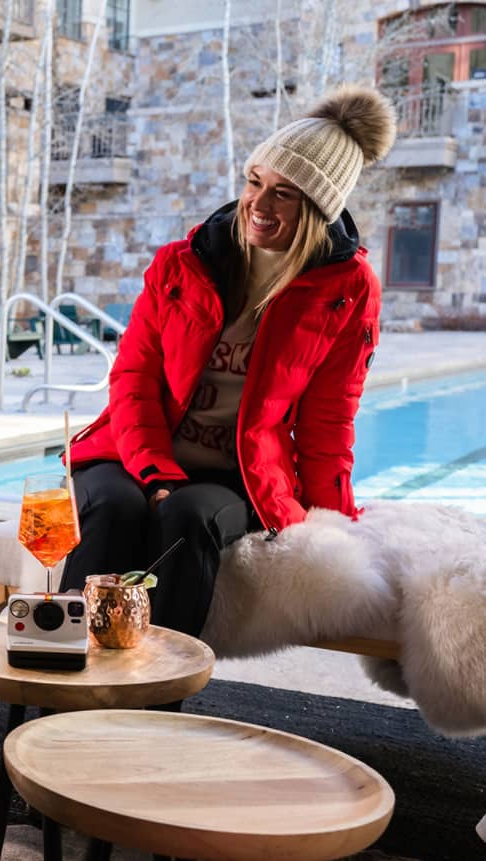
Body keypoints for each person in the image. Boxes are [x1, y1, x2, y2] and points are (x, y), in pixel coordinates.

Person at [61, 85, 397, 637]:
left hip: (233, 473)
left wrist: (337, 521)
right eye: (254, 181)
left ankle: (154, 704)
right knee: (116, 510)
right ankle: (64, 689)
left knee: (187, 518)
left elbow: (329, 417)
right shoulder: (180, 263)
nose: (258, 205)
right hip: (131, 451)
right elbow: (133, 380)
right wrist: (153, 471)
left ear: (317, 208)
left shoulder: (348, 289)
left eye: (284, 194)